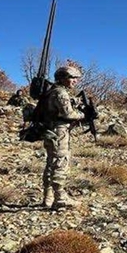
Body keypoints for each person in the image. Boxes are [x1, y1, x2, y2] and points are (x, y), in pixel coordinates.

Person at [40, 65, 85, 209]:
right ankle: (60, 198)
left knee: (51, 163)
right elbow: (68, 114)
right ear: (62, 78)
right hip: (59, 132)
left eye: (77, 78)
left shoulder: (51, 91)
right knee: (60, 162)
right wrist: (82, 115)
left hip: (50, 130)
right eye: (72, 78)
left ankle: (48, 197)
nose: (75, 81)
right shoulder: (60, 92)